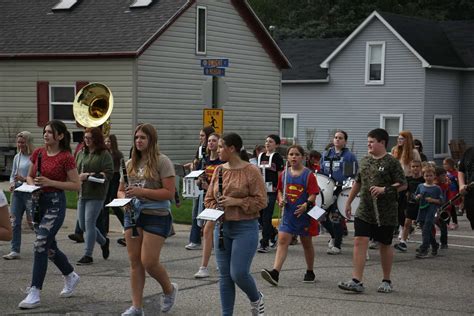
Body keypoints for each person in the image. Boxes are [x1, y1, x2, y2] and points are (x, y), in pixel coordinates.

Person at [18, 120, 81, 309]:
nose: (46, 135)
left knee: (40, 244)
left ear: (60, 136)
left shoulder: (66, 157)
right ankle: (70, 275)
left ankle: (35, 292)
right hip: (38, 203)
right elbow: (29, 175)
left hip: (55, 203)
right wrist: (33, 184)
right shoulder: (38, 153)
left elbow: (76, 185)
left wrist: (50, 182)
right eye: (45, 132)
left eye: (50, 132)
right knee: (48, 247)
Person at [118, 123, 178, 316]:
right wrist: (123, 199)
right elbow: (120, 190)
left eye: (143, 137)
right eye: (136, 137)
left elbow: (169, 193)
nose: (138, 141)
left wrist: (141, 191)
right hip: (133, 215)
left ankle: (169, 289)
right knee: (135, 262)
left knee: (149, 262)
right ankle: (136, 307)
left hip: (156, 215)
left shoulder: (163, 161)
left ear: (151, 140)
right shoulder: (129, 163)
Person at [204, 133, 267, 316]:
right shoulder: (219, 170)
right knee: (225, 277)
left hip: (245, 227)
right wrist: (216, 206)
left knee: (238, 273)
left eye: (221, 146)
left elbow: (262, 201)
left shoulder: (251, 170)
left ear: (232, 149)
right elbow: (209, 198)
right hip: (222, 227)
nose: (217, 149)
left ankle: (256, 298)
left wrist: (236, 202)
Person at [338, 128, 406, 294]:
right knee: (359, 240)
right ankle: (356, 280)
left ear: (382, 143)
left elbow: (403, 184)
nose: (368, 144)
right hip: (365, 209)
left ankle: (386, 280)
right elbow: (358, 182)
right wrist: (348, 202)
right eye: (368, 141)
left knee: (384, 244)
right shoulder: (365, 160)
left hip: (385, 211)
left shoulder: (392, 162)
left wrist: (385, 189)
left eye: (371, 141)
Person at [261, 145, 319, 286]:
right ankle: (275, 272)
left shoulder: (309, 175)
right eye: (291, 154)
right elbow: (280, 190)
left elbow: (313, 194)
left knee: (306, 243)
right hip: (288, 214)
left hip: (304, 215)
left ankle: (310, 270)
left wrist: (306, 205)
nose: (294, 157)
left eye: (297, 154)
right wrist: (280, 200)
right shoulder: (284, 174)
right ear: (287, 157)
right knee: (282, 240)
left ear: (303, 157)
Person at [75, 127, 113, 265]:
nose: (87, 140)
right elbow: (76, 170)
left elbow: (108, 173)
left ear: (96, 139)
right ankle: (103, 241)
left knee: (90, 223)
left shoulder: (104, 154)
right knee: (83, 225)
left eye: (90, 138)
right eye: (85, 138)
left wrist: (89, 175)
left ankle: (88, 254)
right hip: (82, 192)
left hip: (96, 193)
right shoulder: (81, 153)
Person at [320, 130, 358, 255]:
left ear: (345, 141)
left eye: (340, 138)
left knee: (336, 216)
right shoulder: (326, 154)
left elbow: (350, 175)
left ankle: (337, 245)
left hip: (340, 188)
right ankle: (334, 235)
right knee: (318, 214)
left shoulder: (348, 156)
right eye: (336, 137)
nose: (337, 140)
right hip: (326, 188)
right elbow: (321, 172)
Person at [194, 133, 224, 278]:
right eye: (209, 141)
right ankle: (207, 265)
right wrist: (200, 182)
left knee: (214, 231)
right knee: (207, 231)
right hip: (208, 199)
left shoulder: (222, 162)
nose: (211, 143)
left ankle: (212, 264)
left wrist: (209, 187)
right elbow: (200, 179)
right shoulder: (204, 160)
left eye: (214, 141)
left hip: (220, 200)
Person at [3, 131, 34, 260]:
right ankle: (15, 249)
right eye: (19, 142)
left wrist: (24, 178)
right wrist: (12, 183)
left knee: (33, 221)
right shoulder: (17, 156)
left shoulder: (34, 156)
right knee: (14, 221)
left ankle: (47, 246)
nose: (20, 144)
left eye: (23, 142)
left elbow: (35, 176)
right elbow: (13, 174)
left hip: (30, 192)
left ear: (28, 142)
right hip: (17, 191)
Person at [185, 125, 215, 250]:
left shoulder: (214, 152)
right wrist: (194, 166)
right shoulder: (200, 149)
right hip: (200, 185)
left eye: (203, 135)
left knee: (211, 214)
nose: (200, 138)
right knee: (196, 212)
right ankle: (195, 239)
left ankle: (213, 240)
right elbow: (196, 163)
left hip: (211, 186)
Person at [257, 134, 285, 253]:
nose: (268, 143)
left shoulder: (277, 157)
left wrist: (279, 190)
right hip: (261, 190)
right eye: (266, 141)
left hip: (272, 191)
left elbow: (280, 175)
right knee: (259, 216)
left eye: (271, 142)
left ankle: (265, 243)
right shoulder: (261, 156)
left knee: (267, 216)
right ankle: (273, 233)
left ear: (277, 145)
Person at [391, 131, 421, 239]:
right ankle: (402, 228)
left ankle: (405, 229)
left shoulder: (414, 152)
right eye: (398, 138)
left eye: (402, 139)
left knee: (407, 206)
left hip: (410, 180)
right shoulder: (395, 150)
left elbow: (418, 167)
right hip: (399, 181)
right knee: (398, 206)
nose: (399, 140)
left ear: (407, 140)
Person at [394, 160, 423, 252]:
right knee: (406, 223)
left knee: (423, 225)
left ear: (420, 168)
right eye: (413, 166)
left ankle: (428, 242)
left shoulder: (424, 179)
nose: (415, 168)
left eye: (417, 166)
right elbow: (403, 188)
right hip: (411, 204)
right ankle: (403, 242)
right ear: (410, 168)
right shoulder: (408, 179)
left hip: (422, 205)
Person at [415, 165, 444, 258]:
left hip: (431, 211)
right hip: (422, 210)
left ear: (434, 176)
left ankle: (424, 249)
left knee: (426, 229)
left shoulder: (437, 188)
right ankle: (434, 245)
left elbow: (441, 201)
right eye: (426, 175)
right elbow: (415, 196)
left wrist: (432, 200)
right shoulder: (420, 186)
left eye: (430, 175)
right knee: (426, 230)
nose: (428, 177)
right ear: (423, 176)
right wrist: (418, 197)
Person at [104, 134, 126, 246]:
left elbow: (122, 168)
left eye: (109, 141)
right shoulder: (104, 153)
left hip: (115, 178)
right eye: (106, 141)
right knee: (105, 204)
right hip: (107, 179)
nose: (107, 143)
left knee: (113, 203)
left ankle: (125, 224)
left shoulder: (118, 154)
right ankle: (104, 229)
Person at [443, 157, 460, 230]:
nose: (444, 165)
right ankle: (446, 222)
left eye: (445, 164)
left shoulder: (456, 173)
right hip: (447, 192)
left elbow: (458, 183)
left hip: (453, 192)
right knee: (447, 207)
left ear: (450, 165)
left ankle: (454, 222)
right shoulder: (444, 173)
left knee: (451, 207)